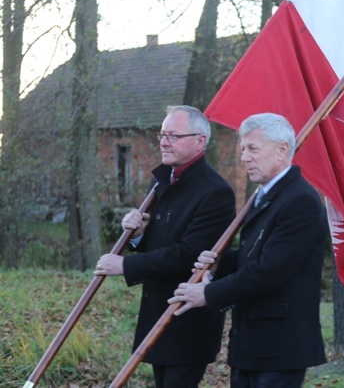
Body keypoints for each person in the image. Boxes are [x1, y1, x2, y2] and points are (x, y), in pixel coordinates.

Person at [168, 113, 328, 388]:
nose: (244, 157)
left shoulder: (300, 201)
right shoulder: (266, 196)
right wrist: (219, 263)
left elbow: (269, 271)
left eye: (253, 149)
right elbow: (251, 256)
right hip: (253, 343)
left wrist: (207, 293)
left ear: (282, 150)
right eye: (243, 149)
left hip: (279, 345)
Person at [94, 105, 236, 388]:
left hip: (187, 321)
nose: (164, 141)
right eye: (162, 134)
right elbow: (162, 241)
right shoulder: (162, 180)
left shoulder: (215, 192)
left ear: (200, 141)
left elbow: (189, 255)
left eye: (174, 135)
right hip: (157, 311)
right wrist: (139, 235)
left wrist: (125, 265)